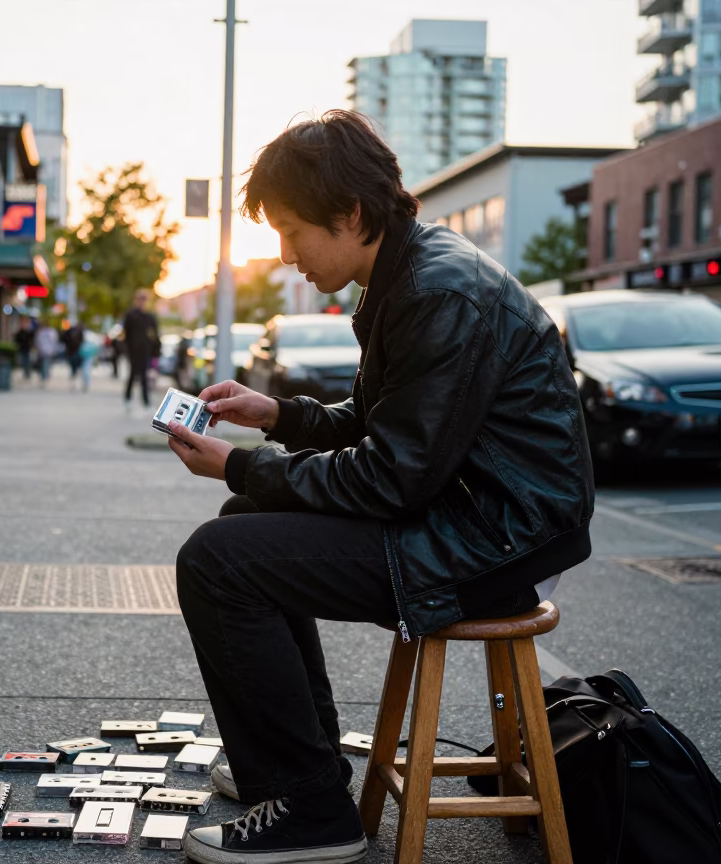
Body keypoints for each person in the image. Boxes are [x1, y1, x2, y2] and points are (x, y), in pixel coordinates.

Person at [164, 110, 594, 864]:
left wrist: (236, 461)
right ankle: (307, 772)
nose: (288, 254)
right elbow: (380, 423)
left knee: (217, 558)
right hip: (470, 513)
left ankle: (311, 810)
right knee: (245, 518)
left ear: (351, 214)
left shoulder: (437, 290)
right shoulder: (408, 270)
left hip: (495, 538)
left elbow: (393, 476)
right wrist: (277, 415)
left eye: (295, 232)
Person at [122, 289, 160, 409]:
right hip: (133, 350)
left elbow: (155, 334)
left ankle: (146, 401)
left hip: (145, 350)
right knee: (133, 374)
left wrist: (155, 351)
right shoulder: (131, 315)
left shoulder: (149, 316)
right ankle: (128, 398)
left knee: (144, 376)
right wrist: (127, 349)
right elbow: (126, 334)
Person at [34, 319, 59, 387]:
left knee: (45, 364)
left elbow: (54, 342)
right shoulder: (48, 332)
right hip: (45, 352)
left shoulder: (45, 332)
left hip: (46, 352)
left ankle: (45, 378)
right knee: (44, 365)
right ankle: (45, 377)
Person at [62, 320, 86, 390]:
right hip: (76, 352)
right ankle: (75, 381)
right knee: (76, 368)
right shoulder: (79, 332)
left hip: (72, 352)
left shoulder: (69, 332)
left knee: (73, 368)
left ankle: (74, 380)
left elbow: (63, 340)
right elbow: (82, 342)